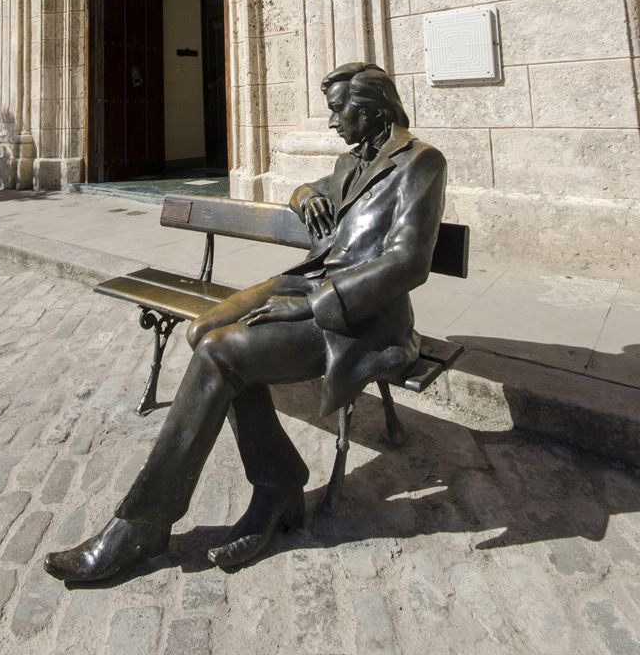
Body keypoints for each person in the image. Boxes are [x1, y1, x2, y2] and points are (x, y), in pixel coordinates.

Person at [44, 62, 447, 583]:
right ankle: (279, 480)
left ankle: (142, 524)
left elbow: (408, 262)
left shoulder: (422, 163)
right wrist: (304, 195)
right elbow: (311, 186)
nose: (331, 123)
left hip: (357, 317)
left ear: (371, 110)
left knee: (221, 353)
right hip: (308, 286)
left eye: (337, 110)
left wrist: (310, 304)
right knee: (199, 331)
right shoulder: (352, 162)